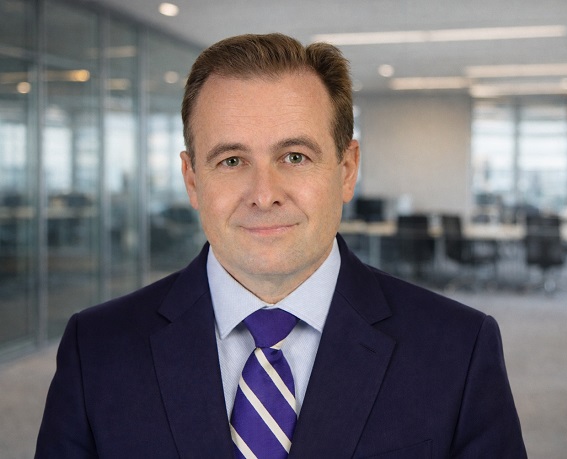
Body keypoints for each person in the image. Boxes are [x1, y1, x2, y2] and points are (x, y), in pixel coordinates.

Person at [36, 33, 527, 458]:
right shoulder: (95, 349)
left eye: (294, 156)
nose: (264, 194)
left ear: (347, 170)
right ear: (192, 179)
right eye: (231, 161)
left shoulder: (459, 350)